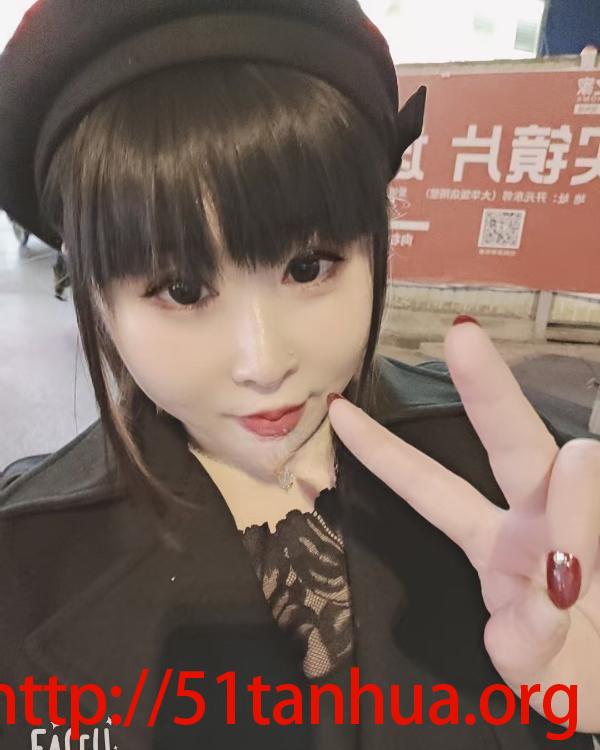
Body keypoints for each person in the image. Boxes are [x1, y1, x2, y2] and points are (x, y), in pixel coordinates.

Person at [0, 1, 598, 749]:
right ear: (93, 295)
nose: (263, 363)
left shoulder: (533, 496)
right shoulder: (24, 564)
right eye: (181, 290)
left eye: (309, 267)